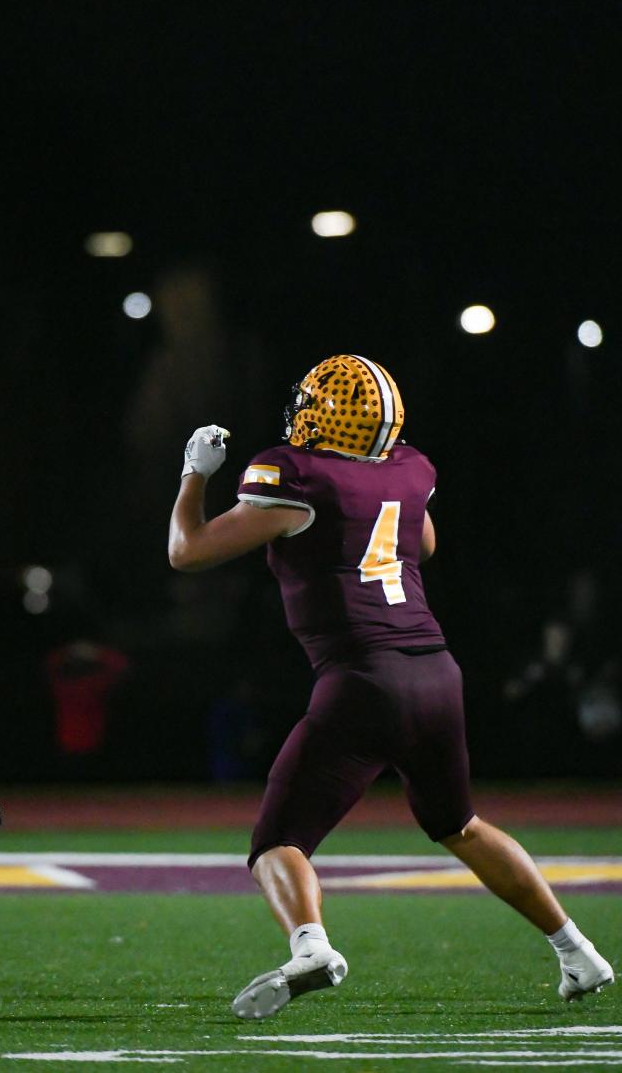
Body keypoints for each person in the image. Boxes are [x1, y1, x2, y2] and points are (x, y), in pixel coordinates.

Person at [167, 354, 614, 1019]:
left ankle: (310, 944)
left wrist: (193, 475)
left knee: (277, 843)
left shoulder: (297, 476)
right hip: (435, 669)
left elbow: (187, 549)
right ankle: (577, 950)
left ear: (324, 414)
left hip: (361, 676)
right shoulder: (409, 470)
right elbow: (422, 542)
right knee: (460, 823)